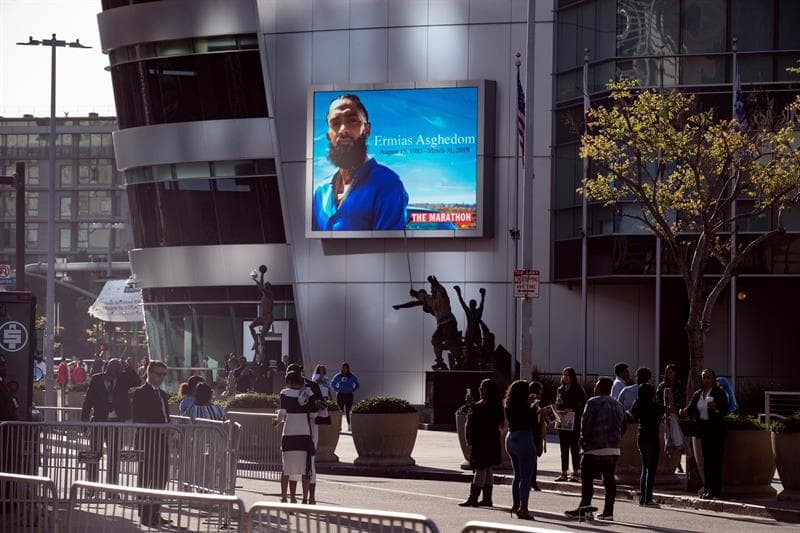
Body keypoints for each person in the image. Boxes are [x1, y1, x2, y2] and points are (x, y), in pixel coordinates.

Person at [312, 93, 409, 231]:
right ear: (329, 135)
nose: (343, 130)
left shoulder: (388, 184)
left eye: (352, 121)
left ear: (367, 129)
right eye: (335, 123)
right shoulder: (320, 191)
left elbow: (388, 243)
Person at [565, 377, 626, 521]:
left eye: (596, 386)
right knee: (609, 480)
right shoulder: (618, 405)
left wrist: (584, 441)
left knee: (587, 479)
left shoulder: (593, 402)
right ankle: (608, 512)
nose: (594, 388)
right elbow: (623, 427)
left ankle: (585, 508)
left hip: (594, 448)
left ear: (599, 388)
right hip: (613, 449)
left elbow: (586, 423)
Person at [81, 357, 141, 484]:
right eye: (112, 367)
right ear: (107, 368)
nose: (115, 370)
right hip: (99, 421)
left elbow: (137, 381)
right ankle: (91, 485)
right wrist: (84, 421)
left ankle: (112, 487)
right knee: (94, 454)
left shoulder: (123, 379)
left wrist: (127, 366)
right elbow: (88, 400)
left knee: (114, 456)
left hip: (116, 422)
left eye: (117, 368)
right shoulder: (97, 379)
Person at [132, 360, 171, 527]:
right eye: (158, 374)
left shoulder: (162, 394)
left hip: (162, 441)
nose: (161, 377)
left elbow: (165, 415)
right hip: (146, 441)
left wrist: (168, 427)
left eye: (164, 374)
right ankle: (144, 514)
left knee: (161, 478)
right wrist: (158, 427)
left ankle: (155, 512)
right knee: (146, 478)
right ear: (149, 373)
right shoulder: (141, 393)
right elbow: (138, 417)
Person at [680, 368, 730, 499]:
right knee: (706, 461)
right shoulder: (698, 394)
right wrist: (683, 412)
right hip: (704, 430)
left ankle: (716, 491)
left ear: (713, 379)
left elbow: (726, 409)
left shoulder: (719, 393)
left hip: (716, 430)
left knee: (716, 461)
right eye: (704, 377)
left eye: (708, 377)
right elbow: (690, 408)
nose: (706, 380)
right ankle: (708, 490)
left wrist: (716, 408)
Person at [393, 275, 461, 370]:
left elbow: (440, 290)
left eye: (432, 290)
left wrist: (433, 282)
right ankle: (439, 361)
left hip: (449, 322)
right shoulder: (431, 301)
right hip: (441, 324)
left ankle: (459, 360)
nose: (431, 291)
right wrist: (413, 295)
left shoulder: (440, 296)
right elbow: (417, 301)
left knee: (449, 341)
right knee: (435, 340)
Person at [459, 378, 504, 508]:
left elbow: (480, 417)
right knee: (488, 468)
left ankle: (473, 498)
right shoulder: (495, 404)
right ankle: (487, 498)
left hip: (483, 441)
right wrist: (472, 405)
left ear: (488, 390)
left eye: (482, 388)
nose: (480, 389)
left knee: (481, 468)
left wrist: (471, 405)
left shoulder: (487, 405)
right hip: (490, 440)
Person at [275, 369, 316, 503]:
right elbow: (313, 413)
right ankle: (305, 499)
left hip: (289, 433)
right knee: (305, 468)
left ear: (289, 381)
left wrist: (276, 422)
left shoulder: (284, 393)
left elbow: (282, 413)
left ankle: (286, 497)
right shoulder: (308, 392)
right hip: (304, 433)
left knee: (286, 468)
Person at [504, 380, 537, 520]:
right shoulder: (527, 407)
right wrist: (535, 407)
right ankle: (524, 508)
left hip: (511, 437)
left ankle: (515, 505)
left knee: (517, 475)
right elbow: (532, 422)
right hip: (524, 438)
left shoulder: (509, 404)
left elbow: (519, 412)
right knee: (526, 477)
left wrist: (529, 403)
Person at [629, 383, 666, 506]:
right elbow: (668, 409)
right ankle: (648, 498)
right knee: (651, 469)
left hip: (641, 436)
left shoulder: (637, 404)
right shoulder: (655, 406)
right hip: (652, 438)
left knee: (644, 468)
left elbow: (632, 415)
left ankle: (643, 498)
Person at [554, 367, 586, 482]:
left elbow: (583, 404)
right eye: (564, 375)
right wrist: (559, 404)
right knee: (563, 448)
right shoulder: (560, 389)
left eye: (567, 375)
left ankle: (576, 472)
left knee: (574, 447)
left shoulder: (578, 389)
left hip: (573, 422)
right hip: (562, 421)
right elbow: (557, 404)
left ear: (572, 377)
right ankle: (564, 472)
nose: (565, 377)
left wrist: (572, 409)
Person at [528, 381, 550, 492]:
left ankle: (533, 481)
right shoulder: (529, 402)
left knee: (534, 458)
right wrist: (539, 411)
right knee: (531, 458)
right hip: (530, 432)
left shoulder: (536, 402)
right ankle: (531, 481)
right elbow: (531, 414)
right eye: (539, 392)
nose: (540, 394)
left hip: (536, 432)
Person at [331, 362, 360, 431]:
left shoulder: (351, 376)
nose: (344, 369)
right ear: (341, 368)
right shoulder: (338, 376)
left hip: (349, 395)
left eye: (346, 368)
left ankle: (349, 425)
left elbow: (357, 385)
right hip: (340, 395)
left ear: (348, 369)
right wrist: (337, 389)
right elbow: (332, 383)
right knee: (340, 411)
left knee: (348, 411)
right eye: (343, 368)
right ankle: (339, 426)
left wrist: (352, 389)